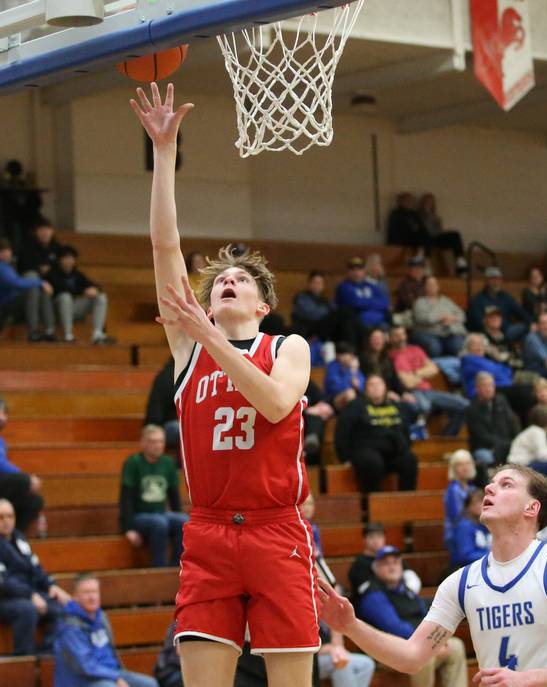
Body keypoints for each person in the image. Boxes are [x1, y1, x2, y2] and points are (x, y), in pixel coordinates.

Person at [132, 83, 318, 685]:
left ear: (264, 305)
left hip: (276, 529)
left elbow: (272, 404)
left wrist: (209, 337)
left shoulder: (288, 348)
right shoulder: (188, 346)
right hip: (210, 529)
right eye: (219, 281)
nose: (227, 283)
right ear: (208, 303)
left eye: (242, 280)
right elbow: (166, 245)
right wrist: (164, 153)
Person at [319, 465, 547, 686]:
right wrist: (351, 626)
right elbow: (411, 658)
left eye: (506, 484)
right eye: (491, 484)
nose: (489, 488)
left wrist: (525, 680)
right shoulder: (461, 582)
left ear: (532, 508)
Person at [355, 545, 468, 687]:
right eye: (386, 564)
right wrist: (430, 642)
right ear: (376, 569)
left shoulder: (406, 589)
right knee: (424, 655)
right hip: (385, 651)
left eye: (395, 562)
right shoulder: (373, 594)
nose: (392, 567)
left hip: (413, 645)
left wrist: (440, 639)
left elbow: (426, 614)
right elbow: (394, 627)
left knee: (456, 646)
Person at [54, 573, 159, 687]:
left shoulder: (101, 617)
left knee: (150, 684)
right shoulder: (70, 626)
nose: (92, 597)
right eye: (86, 592)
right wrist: (115, 678)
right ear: (75, 596)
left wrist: (116, 676)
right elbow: (86, 666)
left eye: (94, 592)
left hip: (111, 673)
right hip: (84, 680)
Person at [0, 498, 70, 655]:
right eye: (1, 517)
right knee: (27, 610)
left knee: (64, 607)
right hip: (5, 599)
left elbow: (36, 568)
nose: (6, 521)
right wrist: (30, 594)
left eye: (10, 516)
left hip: (28, 595)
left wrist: (52, 585)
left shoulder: (19, 538)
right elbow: (4, 582)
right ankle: (23, 659)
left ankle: (45, 656)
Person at [119, 425, 188, 568]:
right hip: (139, 515)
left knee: (184, 521)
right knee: (159, 523)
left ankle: (177, 566)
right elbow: (126, 498)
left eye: (161, 441)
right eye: (153, 441)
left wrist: (177, 513)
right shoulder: (133, 463)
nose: (158, 445)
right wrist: (128, 529)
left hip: (160, 513)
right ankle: (159, 568)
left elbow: (174, 495)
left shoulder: (168, 463)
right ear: (143, 443)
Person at [335, 375, 418, 493]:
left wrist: (405, 446)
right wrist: (344, 457)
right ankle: (373, 504)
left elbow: (405, 429)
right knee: (373, 463)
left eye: (379, 384)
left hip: (392, 450)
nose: (376, 388)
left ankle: (406, 501)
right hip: (365, 449)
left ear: (385, 388)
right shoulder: (356, 405)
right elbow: (342, 431)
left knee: (409, 459)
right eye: (371, 385)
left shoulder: (396, 405)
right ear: (366, 389)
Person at [388, 325, 468, 436]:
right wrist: (424, 372)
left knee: (464, 405)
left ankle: (446, 439)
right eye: (397, 336)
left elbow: (434, 369)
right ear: (390, 339)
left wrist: (415, 373)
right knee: (424, 406)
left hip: (429, 391)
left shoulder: (416, 349)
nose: (401, 338)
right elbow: (408, 383)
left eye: (403, 334)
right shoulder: (391, 356)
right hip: (412, 393)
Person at [460, 333, 536, 423]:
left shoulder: (485, 360)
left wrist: (500, 369)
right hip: (483, 392)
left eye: (481, 344)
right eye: (475, 344)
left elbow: (507, 371)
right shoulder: (468, 360)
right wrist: (500, 371)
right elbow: (498, 373)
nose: (479, 347)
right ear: (468, 347)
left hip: (500, 386)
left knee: (532, 389)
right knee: (525, 393)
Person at [47, 246, 112, 344]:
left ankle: (98, 333)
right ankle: (68, 334)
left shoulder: (77, 274)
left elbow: (91, 284)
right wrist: (83, 291)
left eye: (71, 258)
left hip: (74, 309)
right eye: (66, 258)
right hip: (57, 310)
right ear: (59, 260)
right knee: (65, 297)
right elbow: (61, 288)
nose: (69, 261)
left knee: (100, 297)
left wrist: (95, 289)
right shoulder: (52, 273)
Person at [0, 397, 45, 534]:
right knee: (22, 481)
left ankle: (12, 537)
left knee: (34, 501)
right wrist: (26, 480)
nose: (2, 417)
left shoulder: (1, 442)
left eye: (5, 413)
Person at [0, 238, 54, 340]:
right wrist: (40, 282)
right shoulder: (1, 267)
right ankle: (33, 331)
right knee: (33, 287)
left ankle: (49, 330)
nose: (7, 254)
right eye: (3, 251)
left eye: (8, 250)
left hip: (10, 303)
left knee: (39, 290)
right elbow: (16, 283)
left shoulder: (8, 266)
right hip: (5, 307)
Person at [464, 371, 519, 470]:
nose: (489, 389)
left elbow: (512, 422)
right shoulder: (472, 409)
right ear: (477, 388)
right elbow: (481, 436)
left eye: (491, 385)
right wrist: (503, 445)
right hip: (486, 447)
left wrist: (516, 440)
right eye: (485, 386)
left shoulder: (501, 401)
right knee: (485, 457)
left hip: (506, 443)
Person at [16, 218, 59, 341]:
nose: (45, 233)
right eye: (42, 230)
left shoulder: (56, 248)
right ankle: (33, 330)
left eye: (48, 229)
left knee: (45, 290)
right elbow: (22, 268)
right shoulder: (26, 246)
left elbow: (59, 271)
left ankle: (49, 330)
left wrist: (47, 275)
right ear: (36, 232)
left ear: (52, 231)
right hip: (26, 288)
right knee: (33, 281)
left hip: (49, 287)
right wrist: (39, 272)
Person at [291, 271, 356, 347]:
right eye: (315, 282)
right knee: (342, 314)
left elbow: (335, 311)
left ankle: (350, 348)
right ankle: (350, 347)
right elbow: (311, 314)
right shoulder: (302, 297)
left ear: (323, 285)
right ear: (309, 284)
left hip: (324, 329)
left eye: (320, 283)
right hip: (309, 329)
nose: (317, 285)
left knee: (346, 316)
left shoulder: (325, 300)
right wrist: (329, 313)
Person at [466, 266, 529, 341]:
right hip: (485, 335)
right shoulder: (477, 300)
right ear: (486, 281)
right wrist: (492, 330)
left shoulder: (505, 297)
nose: (496, 282)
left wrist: (531, 323)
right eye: (493, 279)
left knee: (529, 328)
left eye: (499, 279)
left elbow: (520, 311)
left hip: (506, 332)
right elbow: (478, 322)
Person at [411, 275, 466, 358]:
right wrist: (440, 317)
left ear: (438, 286)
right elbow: (422, 318)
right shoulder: (420, 302)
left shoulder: (446, 300)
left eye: (434, 284)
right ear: (424, 287)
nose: (432, 287)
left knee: (457, 346)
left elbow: (462, 315)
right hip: (427, 333)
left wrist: (452, 318)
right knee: (435, 347)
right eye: (429, 285)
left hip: (448, 333)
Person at [335, 257, 391, 335]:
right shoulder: (344, 287)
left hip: (379, 323)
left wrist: (365, 302)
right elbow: (356, 303)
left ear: (364, 271)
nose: (356, 272)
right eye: (353, 269)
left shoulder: (370, 286)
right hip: (358, 326)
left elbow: (385, 302)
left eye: (359, 269)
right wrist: (373, 301)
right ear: (348, 272)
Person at [416, 193, 468, 273]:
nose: (429, 203)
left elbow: (438, 231)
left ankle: (460, 261)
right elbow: (423, 228)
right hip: (424, 239)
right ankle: (426, 263)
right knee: (425, 235)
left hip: (435, 238)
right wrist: (426, 214)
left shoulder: (435, 216)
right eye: (427, 201)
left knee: (455, 235)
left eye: (431, 201)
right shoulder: (417, 215)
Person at [444, 451, 477, 554]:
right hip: (457, 535)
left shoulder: (472, 488)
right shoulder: (453, 489)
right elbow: (457, 518)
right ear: (453, 469)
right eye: (460, 464)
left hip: (472, 531)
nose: (465, 467)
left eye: (467, 463)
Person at [144, 358, 180, 449]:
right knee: (187, 431)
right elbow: (155, 408)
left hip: (179, 421)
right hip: (166, 424)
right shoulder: (167, 375)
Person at [451, 490, 491, 567]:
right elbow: (466, 555)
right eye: (475, 503)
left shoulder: (484, 524)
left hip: (483, 565)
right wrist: (492, 556)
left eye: (482, 502)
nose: (480, 506)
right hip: (465, 569)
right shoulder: (464, 526)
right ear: (468, 507)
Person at [324, 342, 364, 411]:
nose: (349, 357)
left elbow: (362, 386)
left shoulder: (353, 367)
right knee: (350, 393)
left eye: (351, 355)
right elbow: (336, 388)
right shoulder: (332, 366)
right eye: (345, 354)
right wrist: (351, 373)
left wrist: (354, 373)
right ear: (337, 355)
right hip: (334, 399)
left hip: (354, 398)